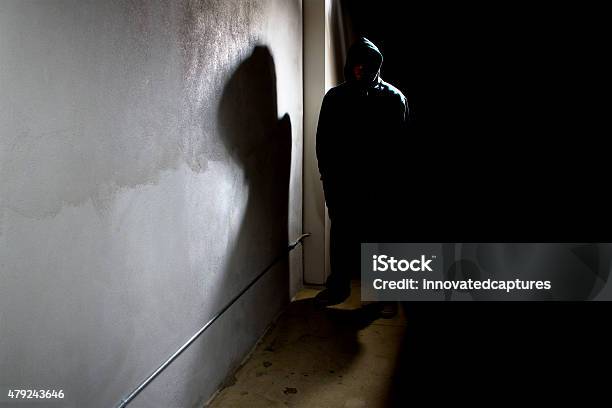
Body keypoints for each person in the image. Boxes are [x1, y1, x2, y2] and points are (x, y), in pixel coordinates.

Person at [315, 37, 408, 311]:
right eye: (355, 64)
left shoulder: (393, 98)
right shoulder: (335, 97)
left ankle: (386, 296)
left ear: (376, 66)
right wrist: (328, 177)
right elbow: (324, 142)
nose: (359, 70)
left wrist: (396, 184)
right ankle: (338, 288)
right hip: (344, 183)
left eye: (366, 65)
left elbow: (402, 147)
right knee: (342, 235)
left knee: (383, 237)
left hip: (381, 183)